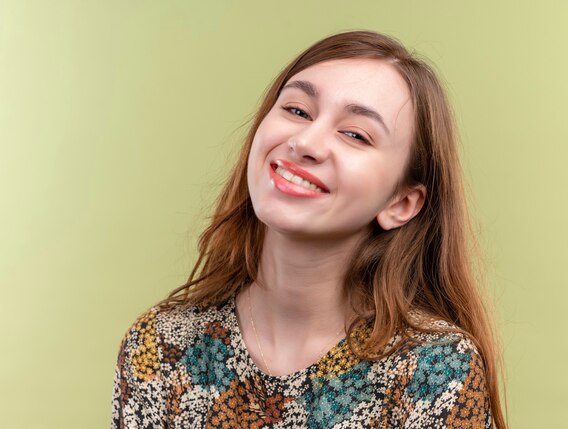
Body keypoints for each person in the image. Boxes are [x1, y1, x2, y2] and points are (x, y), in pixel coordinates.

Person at [111, 30, 507, 429]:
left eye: (355, 134)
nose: (305, 142)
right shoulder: (160, 345)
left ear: (400, 203)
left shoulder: (436, 371)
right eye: (298, 110)